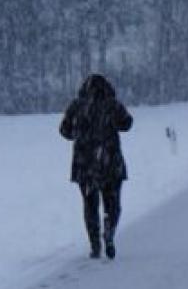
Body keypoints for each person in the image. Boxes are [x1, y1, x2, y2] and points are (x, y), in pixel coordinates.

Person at [59, 74, 134, 259]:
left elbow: (64, 130)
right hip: (110, 162)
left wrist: (80, 135)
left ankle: (95, 245)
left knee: (90, 205)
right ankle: (109, 230)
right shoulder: (112, 105)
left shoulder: (76, 106)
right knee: (113, 203)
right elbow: (127, 124)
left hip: (85, 165)